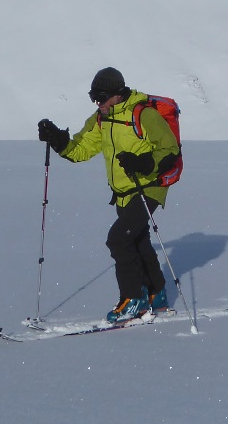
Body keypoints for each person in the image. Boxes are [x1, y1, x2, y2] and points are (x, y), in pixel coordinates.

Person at [37, 67, 181, 323]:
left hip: (149, 186)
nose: (97, 102)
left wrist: (144, 163)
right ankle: (156, 294)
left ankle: (131, 298)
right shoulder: (101, 119)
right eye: (94, 97)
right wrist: (58, 140)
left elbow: (169, 149)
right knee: (137, 240)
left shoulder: (143, 114)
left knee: (118, 239)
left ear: (117, 94)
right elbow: (80, 150)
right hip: (123, 191)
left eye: (101, 97)